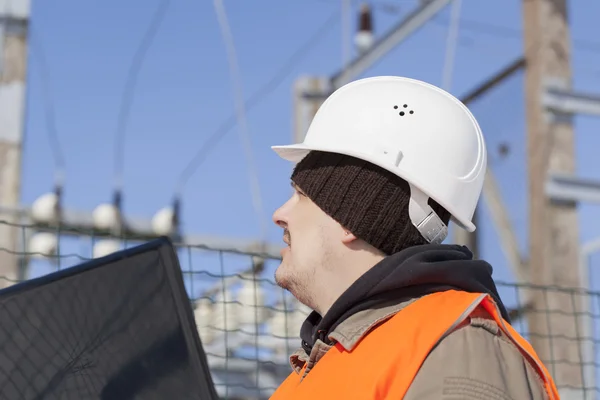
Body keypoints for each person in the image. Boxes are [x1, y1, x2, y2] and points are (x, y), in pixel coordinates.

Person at [268, 76, 559, 399]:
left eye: (300, 195)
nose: (280, 213)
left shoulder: (457, 351)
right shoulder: (318, 368)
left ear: (348, 218)